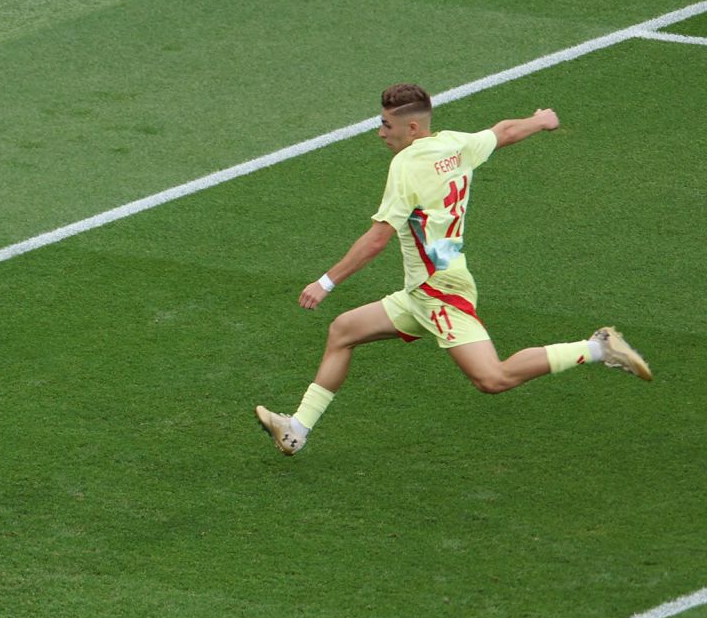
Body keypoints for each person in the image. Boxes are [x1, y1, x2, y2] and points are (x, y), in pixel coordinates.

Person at [256, 84, 651, 455]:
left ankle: (599, 347)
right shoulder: (455, 144)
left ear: (411, 127)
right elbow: (503, 132)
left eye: (385, 124)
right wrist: (541, 120)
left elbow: (377, 239)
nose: (380, 133)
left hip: (438, 292)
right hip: (426, 288)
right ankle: (297, 430)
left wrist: (326, 282)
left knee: (492, 378)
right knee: (343, 331)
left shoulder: (406, 166)